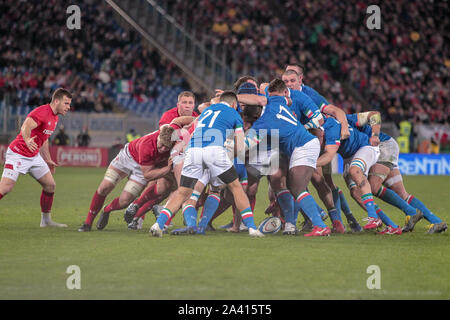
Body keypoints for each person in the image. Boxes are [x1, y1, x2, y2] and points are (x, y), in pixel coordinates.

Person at [150, 91, 263, 237]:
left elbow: (192, 131)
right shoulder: (234, 114)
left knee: (182, 193)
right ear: (234, 104)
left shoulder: (207, 111)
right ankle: (252, 228)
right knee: (236, 188)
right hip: (215, 151)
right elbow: (240, 147)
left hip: (193, 150)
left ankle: (158, 225)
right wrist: (230, 157)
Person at [248, 79, 330, 237]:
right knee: (289, 184)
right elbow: (287, 98)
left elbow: (245, 144)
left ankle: (318, 223)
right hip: (296, 146)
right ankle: (299, 223)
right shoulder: (278, 102)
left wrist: (228, 146)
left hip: (302, 145)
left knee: (296, 187)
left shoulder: (263, 121)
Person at [78, 124, 178, 232]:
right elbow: (147, 175)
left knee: (125, 201)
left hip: (142, 169)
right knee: (104, 187)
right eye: (161, 145)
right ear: (159, 137)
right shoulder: (147, 145)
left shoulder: (175, 142)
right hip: (127, 158)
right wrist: (167, 170)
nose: (163, 149)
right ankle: (88, 223)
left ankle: (106, 210)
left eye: (166, 147)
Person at [0, 88, 72, 227]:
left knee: (50, 186)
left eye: (69, 104)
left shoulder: (55, 117)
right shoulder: (42, 112)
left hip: (34, 156)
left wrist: (48, 159)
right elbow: (26, 125)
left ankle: (46, 221)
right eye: (66, 103)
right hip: (17, 153)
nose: (68, 107)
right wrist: (27, 139)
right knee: (5, 188)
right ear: (56, 101)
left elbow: (44, 138)